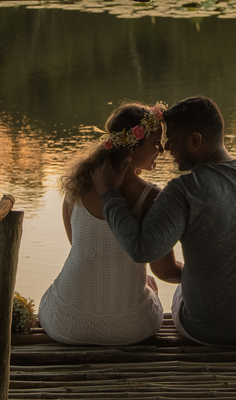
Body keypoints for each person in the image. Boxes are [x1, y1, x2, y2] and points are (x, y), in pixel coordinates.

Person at [92, 95, 236, 347]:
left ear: (195, 140)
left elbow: (142, 249)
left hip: (204, 333)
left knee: (186, 287)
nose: (166, 148)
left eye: (172, 140)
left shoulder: (182, 190)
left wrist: (109, 196)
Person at [38, 102, 182, 345]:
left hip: (66, 323)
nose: (162, 149)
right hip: (131, 330)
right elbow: (164, 270)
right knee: (153, 284)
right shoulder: (153, 199)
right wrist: (204, 275)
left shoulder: (78, 185)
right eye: (156, 143)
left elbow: (81, 247)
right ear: (133, 147)